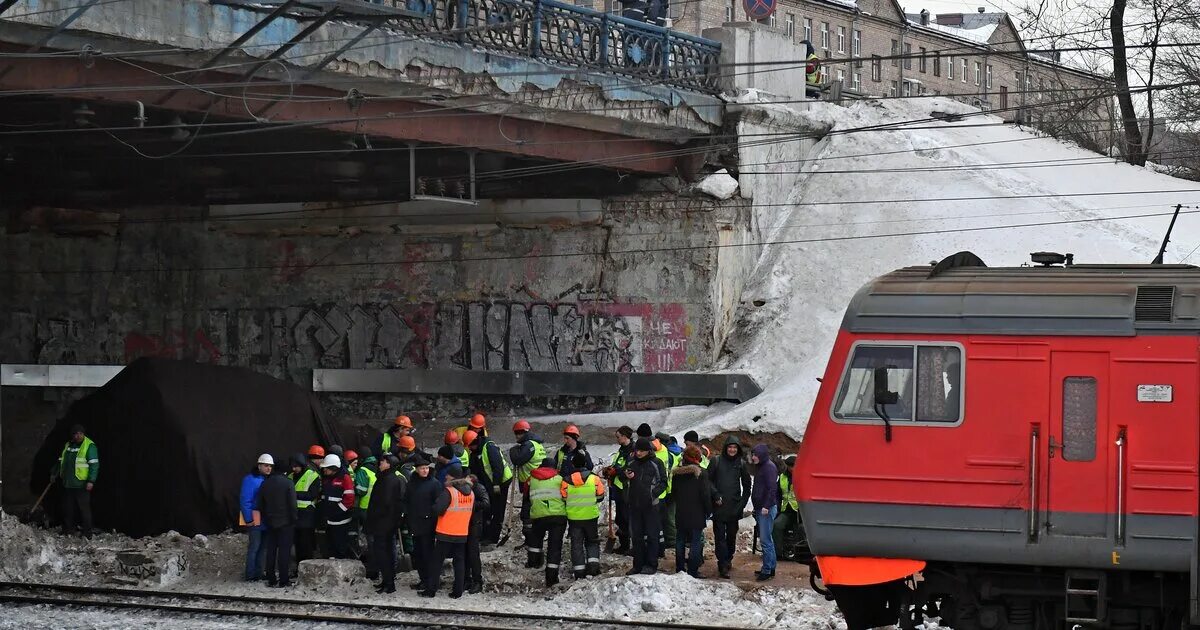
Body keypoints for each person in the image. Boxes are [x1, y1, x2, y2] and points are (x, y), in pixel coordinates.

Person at [423, 469, 476, 598]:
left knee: (436, 562)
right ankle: (458, 591)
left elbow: (437, 509)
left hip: (445, 532)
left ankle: (431, 590)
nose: (445, 480)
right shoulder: (471, 493)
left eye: (447, 478)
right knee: (459, 562)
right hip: (462, 533)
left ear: (453, 479)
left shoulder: (449, 492)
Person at [708, 436, 751, 578]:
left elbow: (747, 486)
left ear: (738, 449)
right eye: (730, 447)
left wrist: (742, 504)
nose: (732, 450)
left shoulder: (741, 464)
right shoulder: (716, 461)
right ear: (726, 448)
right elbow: (708, 481)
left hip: (734, 506)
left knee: (731, 536)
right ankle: (722, 563)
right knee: (719, 536)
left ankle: (728, 558)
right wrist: (715, 495)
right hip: (719, 505)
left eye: (735, 447)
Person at [621, 437, 665, 575]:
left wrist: (652, 494)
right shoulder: (632, 462)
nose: (638, 453)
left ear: (648, 451)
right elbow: (623, 477)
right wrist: (626, 476)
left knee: (652, 536)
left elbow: (663, 482)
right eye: (637, 450)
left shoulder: (656, 463)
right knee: (637, 537)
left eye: (641, 451)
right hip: (634, 504)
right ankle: (638, 565)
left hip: (651, 506)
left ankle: (651, 564)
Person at [561, 450, 605, 579]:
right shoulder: (594, 479)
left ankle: (579, 571)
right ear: (585, 464)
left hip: (574, 518)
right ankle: (593, 567)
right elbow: (600, 496)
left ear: (573, 465)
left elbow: (563, 498)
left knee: (576, 544)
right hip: (591, 516)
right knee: (592, 541)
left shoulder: (565, 481)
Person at [466, 425, 513, 545]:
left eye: (470, 446)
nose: (470, 449)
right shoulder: (475, 453)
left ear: (474, 443)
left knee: (497, 510)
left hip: (501, 482)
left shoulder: (489, 447)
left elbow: (498, 468)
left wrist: (496, 485)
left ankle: (493, 538)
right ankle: (485, 535)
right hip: (489, 483)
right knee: (487, 510)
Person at [256, 455, 297, 588]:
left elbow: (260, 504)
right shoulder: (288, 483)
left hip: (270, 521)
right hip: (286, 523)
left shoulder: (265, 483)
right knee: (284, 551)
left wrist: (266, 517)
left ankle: (271, 578)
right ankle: (283, 579)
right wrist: (293, 519)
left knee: (271, 550)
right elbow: (292, 504)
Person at [526, 456, 567, 587]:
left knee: (536, 541)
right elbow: (566, 496)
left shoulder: (531, 479)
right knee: (554, 546)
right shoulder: (560, 480)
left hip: (538, 515)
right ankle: (551, 577)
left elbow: (526, 495)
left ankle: (533, 563)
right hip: (557, 516)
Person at [366, 454, 405, 594]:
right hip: (387, 523)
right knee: (386, 552)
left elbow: (384, 503)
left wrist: (375, 517)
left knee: (383, 553)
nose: (380, 464)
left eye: (382, 462)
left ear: (388, 464)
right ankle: (387, 581)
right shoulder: (390, 478)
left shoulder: (387, 480)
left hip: (383, 523)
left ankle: (389, 583)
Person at [672, 446, 712, 578]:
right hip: (697, 512)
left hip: (681, 511)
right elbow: (705, 494)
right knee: (695, 541)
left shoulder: (677, 474)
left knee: (680, 540)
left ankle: (679, 568)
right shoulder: (702, 473)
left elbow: (674, 493)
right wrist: (709, 510)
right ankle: (693, 570)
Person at [54, 424, 98, 538]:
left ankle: (87, 533)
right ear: (72, 435)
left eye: (80, 433)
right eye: (75, 433)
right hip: (68, 483)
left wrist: (91, 481)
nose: (78, 436)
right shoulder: (68, 445)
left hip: (81, 484)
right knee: (68, 509)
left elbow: (94, 465)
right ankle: (68, 530)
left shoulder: (89, 446)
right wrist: (54, 473)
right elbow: (61, 461)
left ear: (83, 434)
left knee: (84, 510)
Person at [404, 456, 440, 591]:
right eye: (422, 469)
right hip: (415, 523)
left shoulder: (434, 484)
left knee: (427, 554)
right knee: (418, 554)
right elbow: (406, 500)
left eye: (426, 468)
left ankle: (430, 581)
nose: (425, 471)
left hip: (428, 525)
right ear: (417, 469)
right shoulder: (412, 483)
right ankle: (423, 579)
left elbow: (438, 505)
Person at [510, 420, 546, 547]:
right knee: (533, 512)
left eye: (517, 434)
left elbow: (518, 460)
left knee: (527, 514)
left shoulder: (529, 445)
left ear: (523, 433)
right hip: (536, 484)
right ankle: (534, 539)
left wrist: (513, 451)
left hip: (531, 485)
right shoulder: (537, 445)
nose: (516, 437)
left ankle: (531, 540)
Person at [239, 454, 272, 581]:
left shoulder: (266, 479)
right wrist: (248, 519)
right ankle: (250, 574)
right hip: (255, 516)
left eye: (270, 466)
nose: (268, 468)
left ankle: (258, 573)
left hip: (264, 517)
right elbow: (245, 500)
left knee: (262, 547)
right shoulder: (250, 479)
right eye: (266, 465)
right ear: (259, 465)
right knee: (255, 546)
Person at [750, 444, 779, 581]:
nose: (753, 457)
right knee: (768, 539)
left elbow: (772, 489)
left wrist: (766, 506)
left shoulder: (768, 467)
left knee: (765, 540)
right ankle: (771, 567)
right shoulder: (762, 466)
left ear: (761, 455)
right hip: (761, 507)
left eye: (755, 455)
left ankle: (767, 570)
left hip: (765, 509)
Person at [605, 426, 634, 555]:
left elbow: (630, 469)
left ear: (625, 436)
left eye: (618, 437)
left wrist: (616, 471)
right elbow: (617, 465)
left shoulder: (632, 451)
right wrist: (609, 470)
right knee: (620, 518)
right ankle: (624, 544)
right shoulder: (621, 451)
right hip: (618, 488)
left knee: (626, 518)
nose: (617, 439)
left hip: (626, 488)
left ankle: (628, 545)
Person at [320, 454, 355, 559]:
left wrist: (337, 511)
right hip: (329, 519)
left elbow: (349, 499)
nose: (324, 470)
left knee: (340, 546)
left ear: (333, 468)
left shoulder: (345, 478)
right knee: (330, 547)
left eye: (326, 468)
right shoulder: (327, 478)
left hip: (340, 520)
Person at [291, 451, 322, 563]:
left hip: (307, 514)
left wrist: (294, 494)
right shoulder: (290, 476)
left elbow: (312, 495)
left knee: (306, 543)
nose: (294, 469)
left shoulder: (312, 476)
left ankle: (306, 566)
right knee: (297, 543)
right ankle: (299, 567)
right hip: (294, 514)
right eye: (293, 466)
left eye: (296, 466)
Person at [353, 449, 378, 577]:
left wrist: (353, 486)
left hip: (364, 509)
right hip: (375, 509)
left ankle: (371, 568)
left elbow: (361, 490)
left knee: (368, 540)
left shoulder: (363, 471)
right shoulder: (377, 468)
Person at [465, 471, 491, 594]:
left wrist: (470, 504)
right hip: (465, 524)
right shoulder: (465, 488)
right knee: (464, 553)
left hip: (475, 524)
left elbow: (486, 504)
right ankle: (467, 579)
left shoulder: (479, 488)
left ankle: (477, 581)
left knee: (473, 554)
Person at [653, 432, 678, 553]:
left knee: (668, 516)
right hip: (674, 488)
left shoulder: (666, 453)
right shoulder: (677, 451)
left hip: (667, 489)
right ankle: (671, 539)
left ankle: (672, 540)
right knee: (671, 515)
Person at [774, 455, 802, 561]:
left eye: (793, 466)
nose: (791, 468)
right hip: (786, 510)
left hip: (800, 511)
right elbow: (777, 494)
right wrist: (777, 506)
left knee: (802, 529)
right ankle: (778, 553)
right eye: (790, 466)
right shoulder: (782, 477)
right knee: (777, 525)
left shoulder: (802, 477)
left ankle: (801, 554)